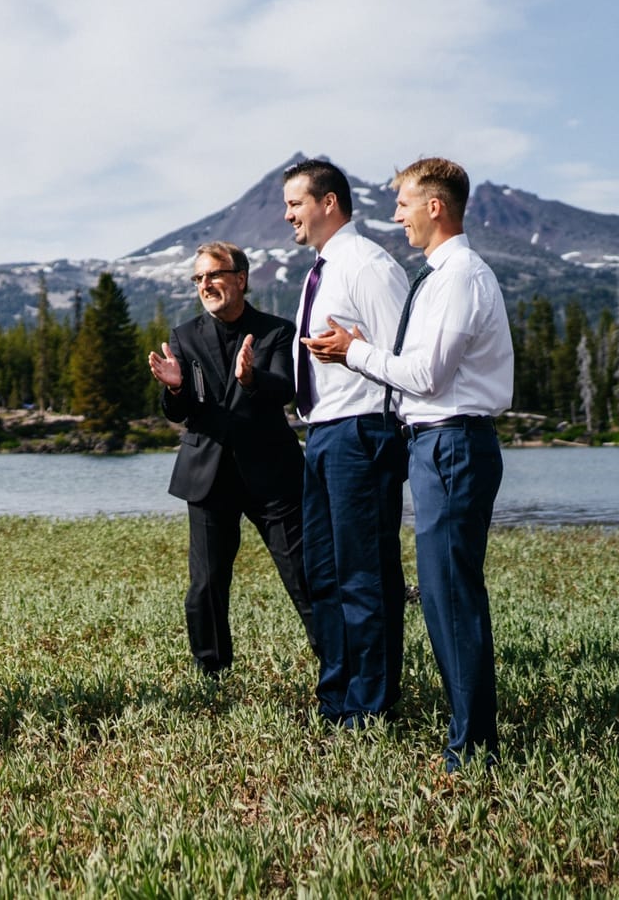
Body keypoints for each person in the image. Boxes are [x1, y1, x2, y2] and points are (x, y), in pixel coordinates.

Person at [307, 157, 513, 770]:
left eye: (402, 204)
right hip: (434, 445)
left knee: (449, 597)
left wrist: (356, 352)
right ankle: (468, 737)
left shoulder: (457, 278)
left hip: (451, 444)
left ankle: (473, 749)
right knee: (444, 595)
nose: (395, 215)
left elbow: (425, 374)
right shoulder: (438, 275)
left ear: (435, 207)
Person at [148, 241, 317, 677]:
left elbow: (286, 389)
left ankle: (338, 669)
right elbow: (179, 412)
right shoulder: (184, 337)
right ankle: (213, 675)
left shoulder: (276, 331)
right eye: (199, 278)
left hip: (272, 476)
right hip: (208, 477)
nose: (206, 284)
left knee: (304, 577)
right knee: (205, 587)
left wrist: (251, 377)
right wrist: (174, 389)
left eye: (214, 275)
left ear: (240, 279)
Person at [282, 158, 411, 728]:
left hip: (363, 432)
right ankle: (336, 701)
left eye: (295, 203)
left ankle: (371, 706)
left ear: (328, 202)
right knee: (325, 573)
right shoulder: (322, 270)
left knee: (365, 576)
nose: (288, 215)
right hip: (322, 436)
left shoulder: (368, 266)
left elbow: (406, 362)